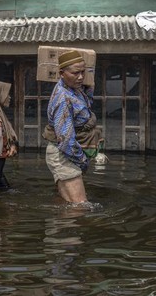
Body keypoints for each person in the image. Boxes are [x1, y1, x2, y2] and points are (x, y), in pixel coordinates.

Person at [43, 50, 103, 204]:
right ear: (61, 73)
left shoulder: (75, 90)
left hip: (64, 153)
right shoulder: (63, 98)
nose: (81, 77)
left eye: (83, 72)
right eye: (76, 73)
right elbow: (65, 139)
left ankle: (56, 226)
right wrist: (82, 160)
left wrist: (90, 86)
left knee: (67, 204)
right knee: (80, 206)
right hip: (63, 154)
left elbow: (86, 106)